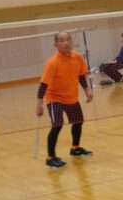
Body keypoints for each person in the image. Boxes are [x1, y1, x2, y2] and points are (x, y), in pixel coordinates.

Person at [36, 31, 93, 168]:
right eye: (61, 41)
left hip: (71, 97)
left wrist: (87, 89)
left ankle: (75, 149)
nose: (66, 43)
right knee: (57, 124)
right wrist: (39, 103)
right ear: (56, 45)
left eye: (68, 39)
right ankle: (50, 158)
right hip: (54, 98)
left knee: (78, 121)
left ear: (72, 41)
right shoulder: (52, 62)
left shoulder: (77, 57)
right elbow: (43, 84)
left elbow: (81, 75)